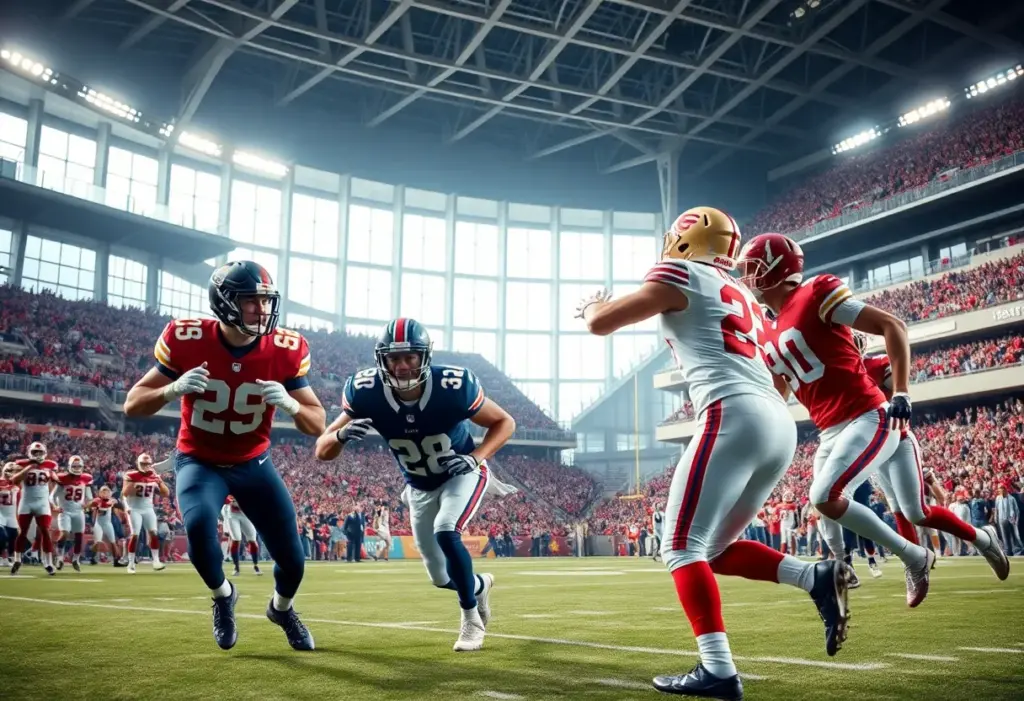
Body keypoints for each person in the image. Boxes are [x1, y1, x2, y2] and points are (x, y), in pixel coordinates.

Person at [579, 206, 850, 699]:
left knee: (679, 547)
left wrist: (593, 305)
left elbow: (602, 324)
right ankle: (815, 576)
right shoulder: (743, 292)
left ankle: (719, 670)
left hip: (733, 411)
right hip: (775, 419)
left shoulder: (680, 272)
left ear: (684, 239)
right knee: (714, 549)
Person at [124, 261, 325, 651]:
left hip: (254, 462)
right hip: (199, 461)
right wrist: (170, 390)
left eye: (265, 301)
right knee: (199, 530)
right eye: (251, 301)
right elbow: (133, 405)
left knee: (293, 560)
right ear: (226, 302)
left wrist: (292, 406)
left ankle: (281, 610)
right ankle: (223, 596)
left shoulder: (286, 349)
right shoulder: (186, 337)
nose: (261, 310)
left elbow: (317, 424)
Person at [737, 232, 934, 608]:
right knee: (823, 504)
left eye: (754, 268)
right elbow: (779, 392)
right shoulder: (770, 329)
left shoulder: (815, 293)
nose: (747, 278)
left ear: (777, 269)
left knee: (826, 496)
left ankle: (914, 556)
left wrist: (903, 391)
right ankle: (848, 563)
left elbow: (892, 325)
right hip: (828, 430)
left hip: (866, 414)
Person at [315, 318, 517, 652]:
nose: (403, 365)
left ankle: (471, 620)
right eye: (395, 358)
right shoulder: (365, 392)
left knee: (446, 528)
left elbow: (505, 422)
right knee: (440, 578)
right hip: (419, 487)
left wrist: (477, 457)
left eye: (410, 356)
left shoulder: (453, 385)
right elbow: (323, 450)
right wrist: (339, 435)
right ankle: (478, 586)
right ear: (383, 360)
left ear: (425, 357)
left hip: (461, 471)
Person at [859, 342, 1007, 579]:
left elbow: (897, 378)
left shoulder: (873, 365)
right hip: (875, 448)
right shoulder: (839, 372)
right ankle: (915, 565)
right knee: (897, 510)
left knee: (915, 512)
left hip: (897, 439)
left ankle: (982, 538)